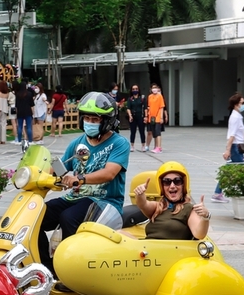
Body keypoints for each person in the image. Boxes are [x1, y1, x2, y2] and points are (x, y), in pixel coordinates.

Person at [37, 91, 130, 274]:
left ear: (107, 121)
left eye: (95, 120)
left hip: (106, 202)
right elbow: (61, 166)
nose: (90, 123)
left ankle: (71, 271)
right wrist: (39, 174)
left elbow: (109, 173)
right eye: (87, 118)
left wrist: (79, 178)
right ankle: (48, 269)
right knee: (35, 217)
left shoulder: (119, 143)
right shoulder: (78, 143)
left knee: (69, 217)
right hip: (75, 198)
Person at [130, 161, 210, 240]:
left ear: (183, 185)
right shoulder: (158, 207)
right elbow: (142, 204)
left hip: (172, 251)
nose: (172, 186)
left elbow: (199, 234)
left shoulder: (189, 209)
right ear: (162, 187)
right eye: (167, 182)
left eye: (177, 181)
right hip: (148, 249)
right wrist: (140, 193)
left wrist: (205, 217)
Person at [212, 92, 244, 203]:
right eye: (242, 103)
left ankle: (217, 193)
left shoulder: (238, 116)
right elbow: (232, 135)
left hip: (236, 147)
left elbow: (242, 134)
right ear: (236, 104)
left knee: (228, 171)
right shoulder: (235, 117)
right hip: (235, 149)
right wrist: (227, 150)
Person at [125, 84, 147, 152]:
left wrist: (146, 117)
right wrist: (130, 116)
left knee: (142, 131)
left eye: (136, 89)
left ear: (138, 90)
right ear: (131, 90)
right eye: (133, 89)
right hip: (133, 117)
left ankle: (143, 145)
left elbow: (145, 108)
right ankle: (132, 145)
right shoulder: (130, 99)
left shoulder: (142, 98)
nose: (135, 90)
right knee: (133, 132)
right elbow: (128, 108)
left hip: (140, 116)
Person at [145, 83, 165, 153]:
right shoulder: (150, 96)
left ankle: (159, 147)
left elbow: (161, 107)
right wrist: (147, 116)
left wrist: (161, 117)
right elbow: (149, 107)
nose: (154, 89)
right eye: (153, 88)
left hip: (158, 116)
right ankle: (156, 146)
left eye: (155, 87)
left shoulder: (160, 96)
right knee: (154, 133)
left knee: (158, 132)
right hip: (151, 117)